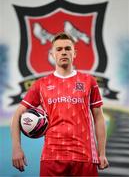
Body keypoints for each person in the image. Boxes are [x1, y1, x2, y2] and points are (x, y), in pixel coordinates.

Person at [11, 32, 109, 176]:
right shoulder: (41, 84)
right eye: (59, 49)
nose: (63, 52)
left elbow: (99, 118)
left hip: (84, 156)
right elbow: (17, 115)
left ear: (74, 53)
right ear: (52, 54)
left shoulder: (89, 81)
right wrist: (16, 148)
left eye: (67, 48)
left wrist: (101, 153)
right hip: (52, 156)